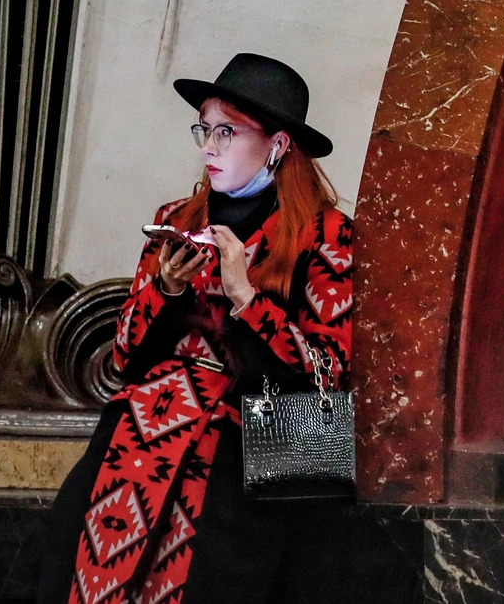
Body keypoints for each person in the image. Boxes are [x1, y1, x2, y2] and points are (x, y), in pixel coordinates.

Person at [36, 53, 353, 604]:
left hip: (264, 443)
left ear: (277, 145)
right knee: (85, 567)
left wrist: (246, 298)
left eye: (227, 131)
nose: (209, 145)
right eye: (204, 130)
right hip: (144, 433)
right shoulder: (177, 219)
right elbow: (121, 356)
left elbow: (328, 372)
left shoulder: (326, 234)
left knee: (220, 574)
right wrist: (168, 289)